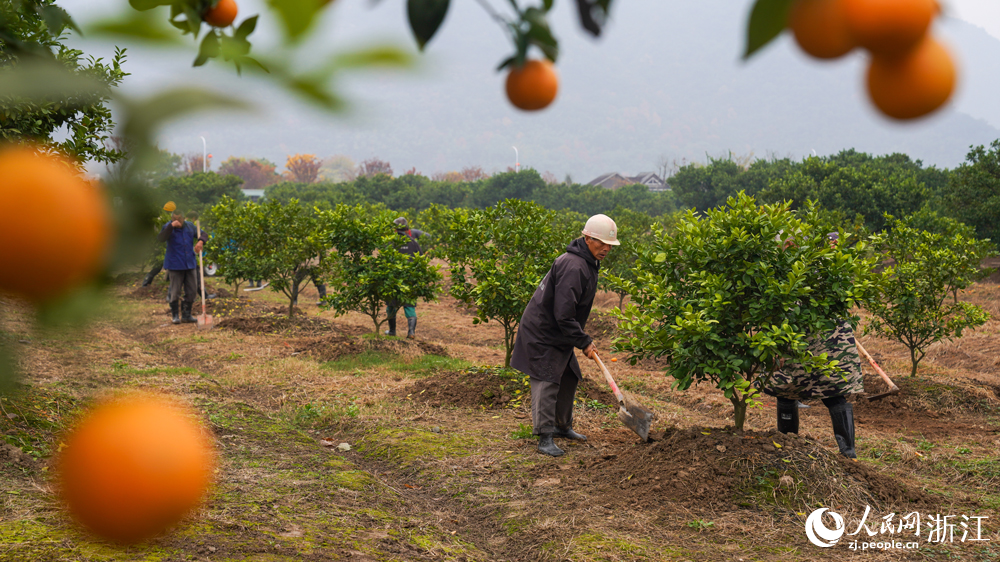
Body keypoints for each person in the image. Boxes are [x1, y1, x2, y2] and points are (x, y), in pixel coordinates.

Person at [510, 214, 619, 457]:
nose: (606, 249)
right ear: (588, 238)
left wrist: (579, 339)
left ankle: (562, 426)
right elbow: (563, 314)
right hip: (544, 331)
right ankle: (544, 435)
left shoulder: (587, 262)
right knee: (547, 378)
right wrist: (584, 341)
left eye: (609, 244)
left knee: (569, 375)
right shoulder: (575, 265)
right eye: (601, 243)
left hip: (559, 331)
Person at [763, 230, 862, 458]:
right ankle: (845, 453)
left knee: (795, 389)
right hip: (828, 345)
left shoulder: (791, 273)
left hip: (817, 343)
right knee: (827, 392)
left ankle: (793, 447)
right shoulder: (823, 267)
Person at [157, 210, 208, 324]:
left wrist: (200, 242)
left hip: (189, 263)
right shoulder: (168, 226)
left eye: (178, 219)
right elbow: (161, 238)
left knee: (192, 290)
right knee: (175, 292)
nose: (176, 221)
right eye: (173, 219)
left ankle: (186, 315)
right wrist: (171, 226)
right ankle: (175, 316)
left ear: (183, 219)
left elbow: (204, 234)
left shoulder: (190, 226)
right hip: (175, 264)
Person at [385, 217, 428, 338]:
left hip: (393, 279)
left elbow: (384, 260)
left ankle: (392, 331)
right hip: (410, 279)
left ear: (394, 229)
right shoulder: (414, 242)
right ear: (407, 228)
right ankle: (411, 332)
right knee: (409, 305)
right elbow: (421, 260)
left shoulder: (390, 242)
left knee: (391, 305)